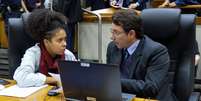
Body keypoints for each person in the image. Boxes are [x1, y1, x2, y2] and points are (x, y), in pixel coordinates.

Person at [106, 10, 177, 100]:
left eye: (116, 33)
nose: (112, 37)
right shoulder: (113, 47)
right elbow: (110, 76)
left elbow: (151, 87)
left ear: (131, 34)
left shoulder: (157, 51)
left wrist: (115, 81)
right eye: (112, 32)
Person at [13, 9, 76, 87]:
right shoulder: (33, 53)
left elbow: (78, 77)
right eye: (59, 40)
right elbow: (21, 77)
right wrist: (54, 80)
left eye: (65, 39)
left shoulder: (68, 55)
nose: (65, 44)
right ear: (46, 42)